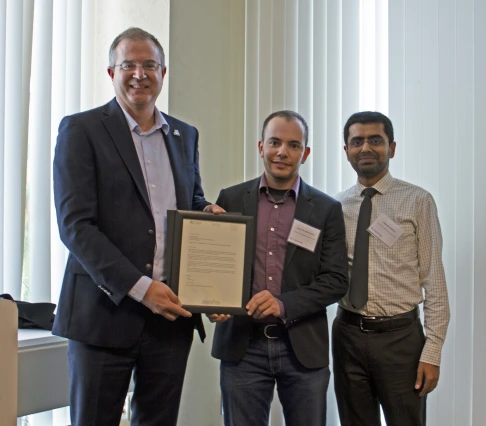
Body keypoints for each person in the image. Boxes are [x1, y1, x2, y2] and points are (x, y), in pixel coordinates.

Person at [52, 27, 222, 426]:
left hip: (170, 320)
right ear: (111, 72)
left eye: (149, 65)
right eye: (128, 64)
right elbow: (76, 225)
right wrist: (143, 290)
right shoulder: (82, 130)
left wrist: (207, 212)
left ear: (164, 73)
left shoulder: (184, 135)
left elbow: (186, 201)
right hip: (102, 315)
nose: (139, 74)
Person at [208, 110, 349, 426]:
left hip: (302, 348)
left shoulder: (326, 209)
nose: (282, 152)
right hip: (242, 347)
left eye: (293, 145)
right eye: (274, 142)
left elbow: (337, 281)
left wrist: (284, 304)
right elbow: (218, 268)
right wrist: (213, 302)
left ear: (305, 153)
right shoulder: (230, 199)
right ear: (261, 147)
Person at [333, 111, 450, 426]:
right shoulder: (336, 207)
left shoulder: (418, 201)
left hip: (401, 340)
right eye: (357, 141)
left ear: (392, 147)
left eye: (376, 140)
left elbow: (434, 282)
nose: (366, 148)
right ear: (346, 151)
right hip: (347, 336)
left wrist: (432, 352)